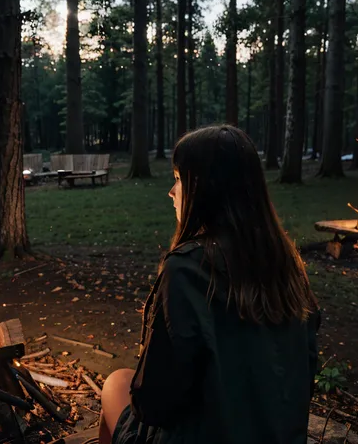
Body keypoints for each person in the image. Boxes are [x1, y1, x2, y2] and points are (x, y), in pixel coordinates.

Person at [98, 125, 320, 444]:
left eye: (178, 179)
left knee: (116, 383)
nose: (171, 192)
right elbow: (304, 377)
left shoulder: (188, 269)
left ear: (204, 189)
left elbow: (153, 405)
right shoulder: (288, 265)